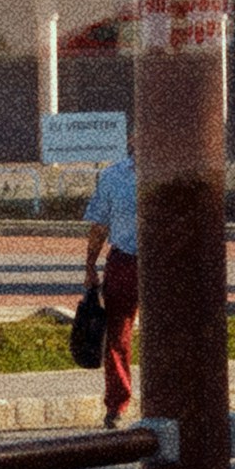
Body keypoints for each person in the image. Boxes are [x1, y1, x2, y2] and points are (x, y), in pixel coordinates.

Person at [82, 152, 141, 413]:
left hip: (167, 264)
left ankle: (174, 400)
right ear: (133, 139)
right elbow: (99, 225)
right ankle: (117, 404)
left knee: (171, 334)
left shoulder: (173, 170)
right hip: (125, 260)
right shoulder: (112, 176)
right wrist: (90, 265)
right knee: (118, 335)